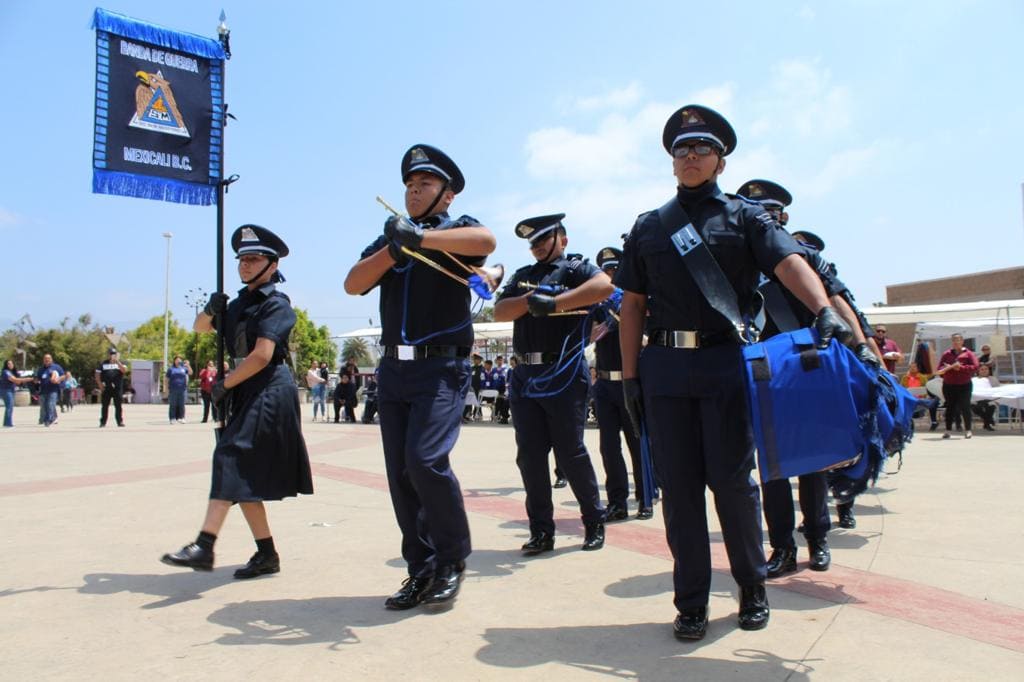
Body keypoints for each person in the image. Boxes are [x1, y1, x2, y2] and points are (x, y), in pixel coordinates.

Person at [617, 105, 853, 640]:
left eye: (702, 149)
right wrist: (631, 379)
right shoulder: (650, 226)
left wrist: (824, 311)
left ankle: (751, 586)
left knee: (732, 486)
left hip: (726, 364)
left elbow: (790, 263)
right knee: (678, 493)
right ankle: (691, 602)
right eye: (682, 150)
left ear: (720, 161)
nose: (691, 157)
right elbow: (631, 304)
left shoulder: (746, 217)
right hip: (666, 370)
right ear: (672, 162)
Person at [344, 143, 495, 609]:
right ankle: (421, 567)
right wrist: (395, 246)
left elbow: (486, 243)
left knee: (424, 460)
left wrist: (421, 240)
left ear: (447, 195)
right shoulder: (393, 236)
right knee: (400, 473)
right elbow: (352, 283)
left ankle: (451, 560)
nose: (413, 191)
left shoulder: (458, 229)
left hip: (441, 367)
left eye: (425, 184)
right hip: (393, 370)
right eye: (409, 185)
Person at [162, 224, 313, 578]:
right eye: (242, 259)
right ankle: (267, 554)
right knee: (240, 473)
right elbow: (201, 328)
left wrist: (224, 383)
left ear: (272, 265)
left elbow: (262, 355)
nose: (245, 265)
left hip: (269, 390)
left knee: (230, 457)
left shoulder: (276, 304)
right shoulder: (239, 304)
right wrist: (211, 308)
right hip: (244, 389)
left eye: (254, 259)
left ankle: (205, 544)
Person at [494, 213, 612, 555]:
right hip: (525, 375)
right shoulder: (523, 276)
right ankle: (541, 531)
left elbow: (604, 287)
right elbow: (500, 311)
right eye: (532, 242)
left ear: (563, 238)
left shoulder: (575, 270)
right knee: (530, 458)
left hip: (562, 374)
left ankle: (593, 521)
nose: (537, 246)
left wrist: (556, 303)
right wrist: (532, 302)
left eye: (544, 239)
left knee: (571, 453)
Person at [591, 246, 649, 521]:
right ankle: (617, 502)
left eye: (614, 269)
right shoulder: (596, 304)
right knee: (608, 446)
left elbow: (645, 332)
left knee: (637, 443)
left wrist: (615, 321)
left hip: (629, 381)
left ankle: (645, 497)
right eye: (606, 270)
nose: (610, 274)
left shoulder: (635, 299)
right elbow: (587, 334)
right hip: (603, 384)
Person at [936, 333, 978, 439]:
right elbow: (939, 368)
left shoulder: (968, 354)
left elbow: (975, 367)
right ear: (952, 341)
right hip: (949, 385)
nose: (956, 342)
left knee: (965, 407)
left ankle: (968, 430)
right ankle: (948, 430)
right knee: (950, 407)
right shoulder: (947, 354)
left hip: (964, 384)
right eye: (954, 340)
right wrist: (949, 367)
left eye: (958, 340)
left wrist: (960, 368)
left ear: (962, 341)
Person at [901, 361, 939, 431]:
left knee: (928, 400)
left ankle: (929, 406)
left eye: (914, 367)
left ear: (918, 368)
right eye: (911, 367)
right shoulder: (905, 378)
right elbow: (902, 389)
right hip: (910, 400)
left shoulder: (922, 377)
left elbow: (927, 389)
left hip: (921, 399)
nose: (912, 368)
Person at [96, 348, 128, 427]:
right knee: (105, 406)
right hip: (107, 388)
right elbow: (97, 375)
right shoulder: (103, 364)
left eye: (114, 354)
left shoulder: (121, 363)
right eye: (111, 354)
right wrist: (100, 385)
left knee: (118, 406)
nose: (112, 355)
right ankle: (103, 422)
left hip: (117, 388)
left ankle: (119, 421)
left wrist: (117, 362)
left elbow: (124, 370)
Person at [35, 354, 68, 427]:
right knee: (44, 406)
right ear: (43, 360)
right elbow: (38, 378)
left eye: (48, 358)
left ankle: (48, 420)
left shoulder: (56, 367)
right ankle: (52, 418)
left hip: (53, 390)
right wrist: (36, 380)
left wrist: (57, 379)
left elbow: (63, 376)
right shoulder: (41, 369)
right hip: (43, 390)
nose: (47, 360)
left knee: (50, 404)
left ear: (51, 359)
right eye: (45, 358)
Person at [2, 359, 33, 427]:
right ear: (6, 365)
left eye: (11, 363)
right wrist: (28, 379)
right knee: (9, 406)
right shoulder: (6, 372)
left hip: (11, 390)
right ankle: (8, 423)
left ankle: (6, 422)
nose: (10, 365)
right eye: (9, 364)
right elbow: (14, 380)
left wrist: (23, 379)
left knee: (10, 406)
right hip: (6, 391)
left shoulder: (12, 372)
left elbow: (17, 382)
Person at [971, 363, 1000, 431]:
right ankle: (989, 420)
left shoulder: (993, 379)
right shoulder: (974, 379)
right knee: (975, 407)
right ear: (978, 371)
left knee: (991, 406)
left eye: (986, 369)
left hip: (990, 398)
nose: (984, 371)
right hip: (976, 399)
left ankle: (987, 424)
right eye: (982, 369)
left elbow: (997, 390)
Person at [165, 356, 191, 424]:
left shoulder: (184, 368)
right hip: (173, 389)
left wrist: (188, 365)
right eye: (177, 360)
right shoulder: (171, 369)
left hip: (182, 389)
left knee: (181, 404)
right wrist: (166, 389)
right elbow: (166, 379)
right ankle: (172, 418)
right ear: (174, 361)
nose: (178, 361)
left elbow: (190, 372)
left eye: (179, 360)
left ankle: (182, 417)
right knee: (173, 404)